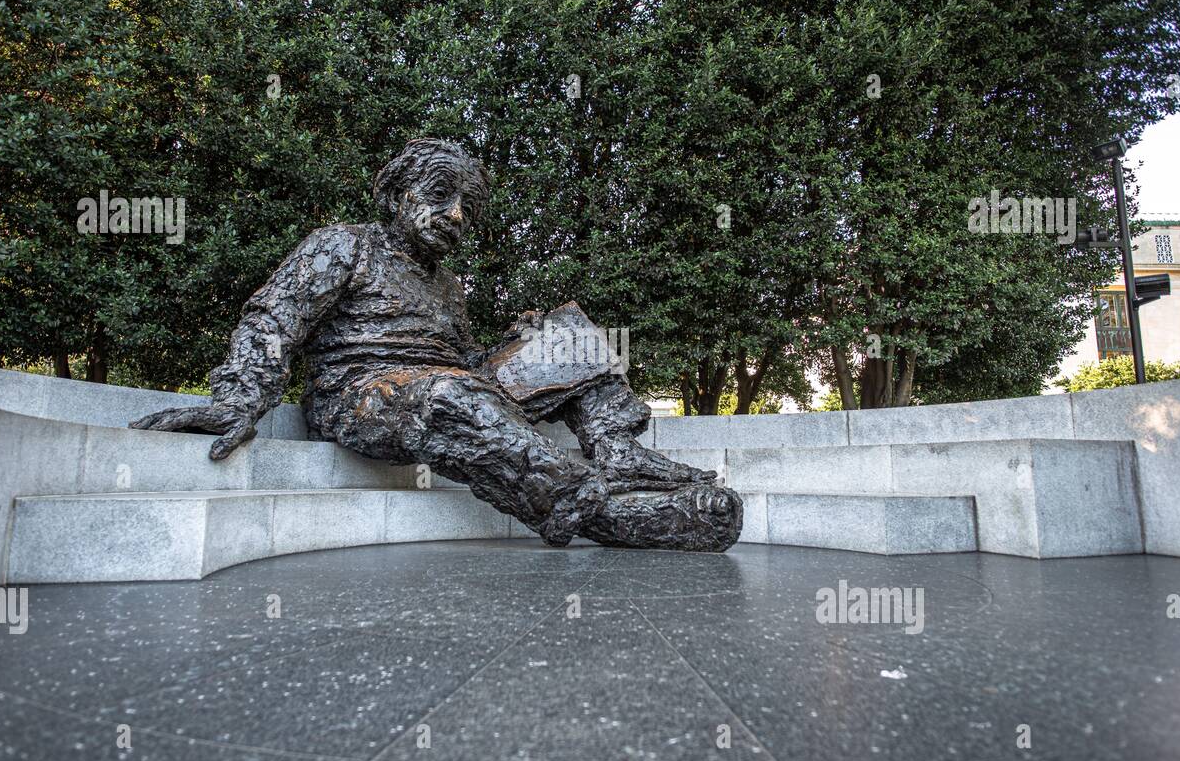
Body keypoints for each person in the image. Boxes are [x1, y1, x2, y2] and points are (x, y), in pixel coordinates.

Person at [132, 139, 742, 551]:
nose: (454, 217)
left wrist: (522, 345)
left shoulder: (450, 286)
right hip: (362, 394)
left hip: (450, 385)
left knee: (563, 341)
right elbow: (274, 317)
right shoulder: (343, 245)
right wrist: (240, 398)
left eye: (467, 210)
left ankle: (615, 450)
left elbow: (467, 364)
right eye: (440, 195)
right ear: (399, 194)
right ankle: (605, 513)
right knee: (449, 395)